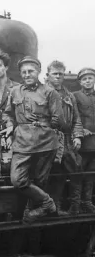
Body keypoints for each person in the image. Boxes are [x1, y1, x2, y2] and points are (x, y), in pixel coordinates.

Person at [2, 56, 64, 224]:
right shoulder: (15, 91)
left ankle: (32, 213)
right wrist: (9, 125)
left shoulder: (50, 92)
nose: (27, 74)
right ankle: (47, 203)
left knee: (40, 181)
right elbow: (8, 113)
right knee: (18, 180)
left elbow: (59, 120)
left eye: (31, 71)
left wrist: (43, 124)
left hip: (45, 142)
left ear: (38, 72)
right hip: (22, 141)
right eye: (24, 72)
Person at [46, 61, 84, 216]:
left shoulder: (69, 95)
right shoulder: (44, 92)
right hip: (50, 139)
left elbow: (76, 118)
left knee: (75, 169)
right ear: (47, 75)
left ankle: (76, 206)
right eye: (54, 74)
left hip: (67, 140)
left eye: (60, 74)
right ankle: (54, 207)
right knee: (54, 174)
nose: (58, 77)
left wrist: (78, 137)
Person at [73, 68, 95, 213]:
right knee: (78, 172)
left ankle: (87, 201)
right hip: (82, 142)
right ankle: (75, 203)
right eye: (84, 79)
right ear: (80, 82)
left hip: (94, 143)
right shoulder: (74, 96)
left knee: (91, 173)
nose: (88, 81)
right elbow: (74, 117)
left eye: (90, 78)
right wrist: (80, 132)